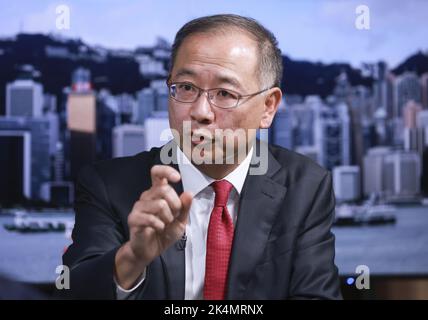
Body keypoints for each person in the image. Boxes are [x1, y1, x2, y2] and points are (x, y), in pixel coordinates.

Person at [61, 14, 342, 300]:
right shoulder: (108, 184)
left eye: (224, 93)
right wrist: (132, 258)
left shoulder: (306, 185)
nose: (200, 112)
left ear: (268, 107)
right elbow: (73, 292)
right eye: (185, 88)